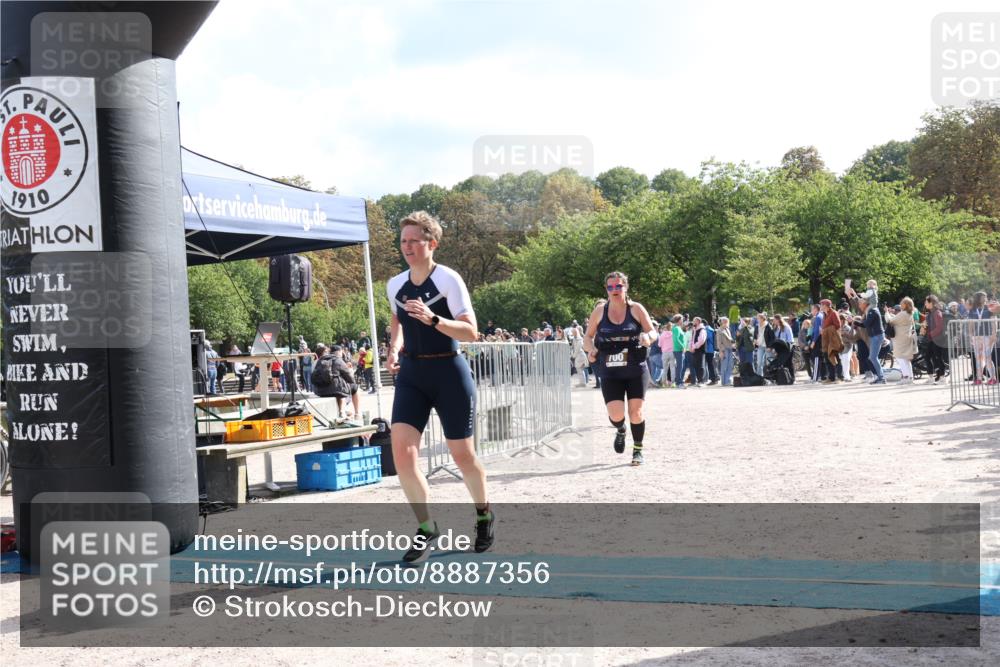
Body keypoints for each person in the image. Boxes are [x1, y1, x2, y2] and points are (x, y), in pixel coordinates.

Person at [385, 211, 493, 562]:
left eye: (414, 240)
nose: (407, 247)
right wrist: (393, 346)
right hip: (413, 375)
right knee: (403, 454)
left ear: (432, 243)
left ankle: (483, 514)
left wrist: (433, 319)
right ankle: (427, 527)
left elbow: (471, 331)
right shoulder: (394, 285)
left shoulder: (448, 279)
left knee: (463, 456)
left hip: (449, 371)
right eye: (403, 241)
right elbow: (397, 316)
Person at [583, 271, 657, 466]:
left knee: (636, 412)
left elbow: (652, 331)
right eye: (610, 287)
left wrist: (648, 338)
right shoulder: (600, 311)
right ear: (606, 290)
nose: (614, 290)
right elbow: (587, 337)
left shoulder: (636, 309)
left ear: (626, 287)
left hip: (635, 366)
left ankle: (638, 450)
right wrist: (590, 350)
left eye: (618, 286)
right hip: (610, 369)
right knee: (616, 415)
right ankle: (621, 429)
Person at [311, 344, 361, 417]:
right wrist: (351, 371)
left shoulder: (320, 360)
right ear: (339, 352)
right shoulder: (338, 360)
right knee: (355, 388)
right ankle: (356, 413)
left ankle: (342, 411)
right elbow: (350, 378)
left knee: (338, 388)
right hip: (335, 390)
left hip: (320, 390)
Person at [967, 291, 998, 385]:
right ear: (978, 298)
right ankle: (979, 379)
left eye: (986, 297)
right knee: (978, 358)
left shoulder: (989, 308)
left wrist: (994, 334)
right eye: (983, 297)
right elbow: (971, 323)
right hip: (977, 336)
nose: (986, 299)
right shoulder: (973, 309)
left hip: (987, 335)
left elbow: (994, 321)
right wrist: (970, 335)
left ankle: (993, 378)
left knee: (987, 357)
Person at [887, 298, 918, 384]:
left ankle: (906, 377)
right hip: (907, 337)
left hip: (900, 338)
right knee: (906, 359)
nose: (900, 304)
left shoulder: (903, 314)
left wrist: (887, 312)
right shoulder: (910, 313)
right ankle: (910, 377)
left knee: (900, 357)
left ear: (905, 305)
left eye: (902, 303)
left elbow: (890, 321)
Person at [860, 299, 886, 385]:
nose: (859, 305)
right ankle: (880, 377)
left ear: (865, 304)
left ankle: (881, 378)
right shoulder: (870, 310)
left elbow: (866, 324)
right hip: (875, 336)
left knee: (873, 358)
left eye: (861, 303)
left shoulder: (872, 311)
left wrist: (854, 321)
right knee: (872, 358)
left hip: (877, 336)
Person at [716, 316, 735, 386]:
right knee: (724, 366)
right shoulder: (719, 330)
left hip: (730, 349)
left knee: (730, 365)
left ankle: (728, 380)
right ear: (723, 322)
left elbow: (729, 339)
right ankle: (724, 381)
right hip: (724, 350)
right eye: (727, 322)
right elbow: (719, 342)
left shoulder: (727, 329)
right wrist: (721, 351)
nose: (728, 323)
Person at [670, 314, 687, 389]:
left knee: (680, 366)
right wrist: (683, 347)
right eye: (682, 319)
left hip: (679, 350)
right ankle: (679, 383)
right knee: (679, 366)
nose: (682, 320)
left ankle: (679, 382)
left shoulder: (678, 328)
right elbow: (676, 339)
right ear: (679, 320)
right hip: (678, 350)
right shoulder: (676, 328)